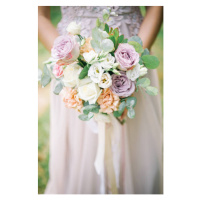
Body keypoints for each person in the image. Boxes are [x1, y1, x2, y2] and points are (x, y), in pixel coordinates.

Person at [38, 6, 163, 194]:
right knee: (81, 145)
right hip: (73, 62)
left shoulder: (133, 60)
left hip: (133, 52)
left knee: (136, 145)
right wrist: (74, 64)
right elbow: (38, 15)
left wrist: (130, 65)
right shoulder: (73, 64)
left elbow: (157, 7)